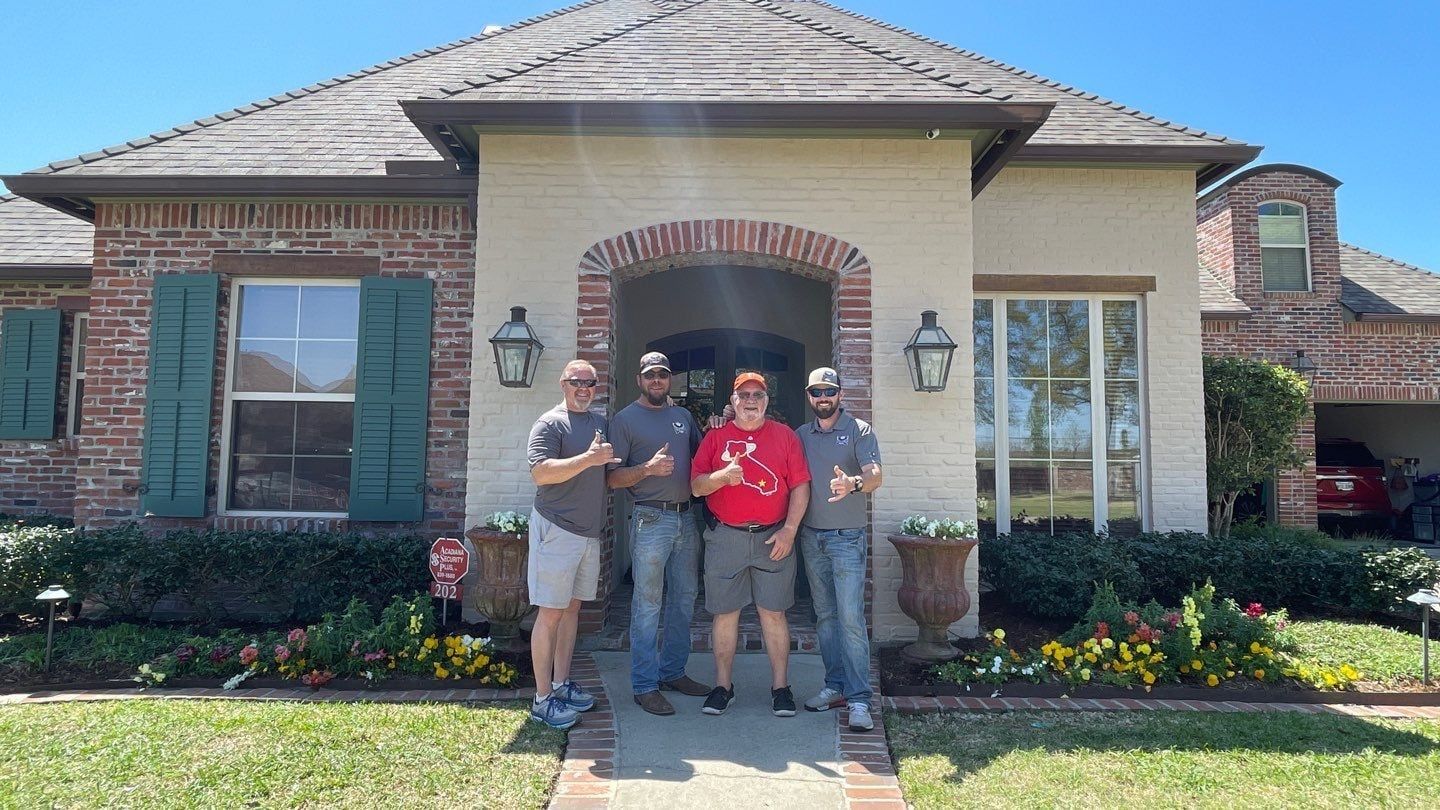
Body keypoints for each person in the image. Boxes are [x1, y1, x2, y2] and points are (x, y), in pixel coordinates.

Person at [691, 372, 810, 717]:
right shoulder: (715, 438)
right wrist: (721, 477)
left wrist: (789, 529)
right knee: (725, 614)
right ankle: (722, 687)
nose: (751, 401)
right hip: (725, 536)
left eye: (758, 394)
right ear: (732, 402)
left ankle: (780, 688)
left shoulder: (784, 436)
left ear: (766, 401)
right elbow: (697, 486)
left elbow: (801, 485)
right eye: (743, 395)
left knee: (773, 613)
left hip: (773, 536)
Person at [607, 351, 712, 716]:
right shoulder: (624, 420)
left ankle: (673, 672)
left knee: (685, 599)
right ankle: (644, 685)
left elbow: (703, 458)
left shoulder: (682, 416)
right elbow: (613, 478)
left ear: (670, 380)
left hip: (686, 520)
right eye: (650, 375)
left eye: (663, 375)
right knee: (648, 605)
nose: (657, 381)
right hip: (650, 520)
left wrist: (720, 425)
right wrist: (647, 469)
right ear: (640, 379)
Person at [525, 359, 617, 730]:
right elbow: (541, 472)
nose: (584, 388)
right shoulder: (549, 423)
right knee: (550, 612)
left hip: (587, 533)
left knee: (572, 609)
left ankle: (561, 684)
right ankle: (542, 699)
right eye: (577, 381)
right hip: (557, 528)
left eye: (590, 382)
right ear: (563, 384)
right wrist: (588, 459)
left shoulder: (598, 422)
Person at [794, 367, 883, 733]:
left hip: (847, 538)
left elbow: (876, 475)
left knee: (850, 619)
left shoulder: (859, 431)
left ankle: (860, 698)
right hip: (811, 536)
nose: (823, 398)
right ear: (809, 396)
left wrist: (854, 483)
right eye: (816, 392)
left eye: (829, 391)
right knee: (826, 618)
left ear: (840, 394)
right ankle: (836, 687)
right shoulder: (801, 435)